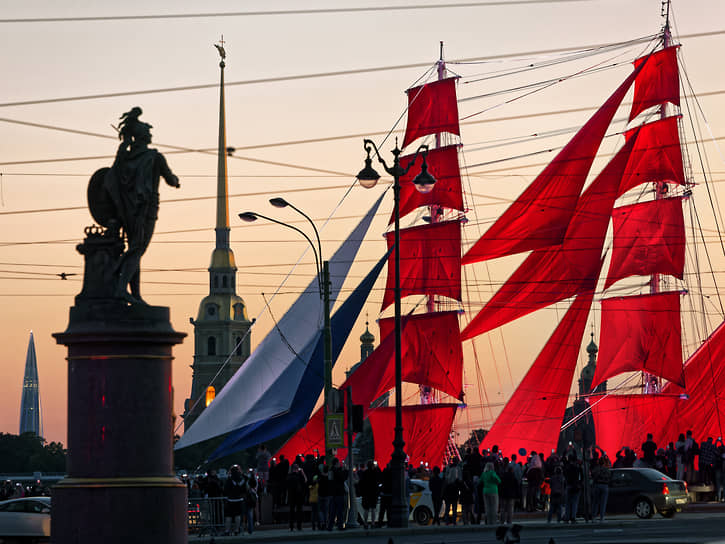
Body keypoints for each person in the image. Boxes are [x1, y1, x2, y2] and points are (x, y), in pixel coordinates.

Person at [101, 107, 180, 304]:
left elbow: (112, 174)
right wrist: (177, 180)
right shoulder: (154, 157)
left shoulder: (125, 159)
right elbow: (171, 180)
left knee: (136, 249)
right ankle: (120, 286)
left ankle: (134, 293)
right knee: (137, 249)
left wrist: (124, 143)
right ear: (142, 135)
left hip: (128, 210)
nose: (151, 133)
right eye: (148, 130)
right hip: (147, 209)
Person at [223, 465, 246, 536]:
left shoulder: (229, 480)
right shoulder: (242, 479)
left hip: (230, 500)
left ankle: (227, 531)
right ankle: (236, 530)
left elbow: (225, 489)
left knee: (228, 516)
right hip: (239, 499)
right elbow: (244, 489)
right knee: (238, 515)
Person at [286, 463, 307, 531]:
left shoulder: (289, 476)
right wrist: (303, 472)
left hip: (292, 495)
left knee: (292, 511)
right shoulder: (300, 475)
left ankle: (291, 526)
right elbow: (305, 480)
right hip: (299, 496)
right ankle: (299, 526)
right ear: (298, 469)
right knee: (299, 511)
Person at [359, 461, 380, 529]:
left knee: (366, 509)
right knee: (373, 508)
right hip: (373, 493)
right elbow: (378, 481)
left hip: (366, 493)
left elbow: (361, 483)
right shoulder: (375, 473)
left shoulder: (365, 473)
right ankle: (373, 523)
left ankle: (365, 523)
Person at [591, 457, 611, 522]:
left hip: (597, 485)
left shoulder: (596, 469)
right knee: (603, 502)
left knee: (595, 502)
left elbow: (592, 475)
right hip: (605, 485)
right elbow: (609, 477)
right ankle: (602, 517)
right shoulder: (607, 469)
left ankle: (594, 517)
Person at [563, 455, 582, 523]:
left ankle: (567, 517)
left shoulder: (567, 468)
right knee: (575, 503)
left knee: (567, 503)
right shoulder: (577, 468)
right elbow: (580, 478)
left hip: (569, 485)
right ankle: (573, 517)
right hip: (576, 486)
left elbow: (565, 476)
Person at [443, 460, 462, 525]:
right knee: (454, 508)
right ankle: (454, 521)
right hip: (455, 495)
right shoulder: (457, 481)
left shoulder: (447, 480)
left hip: (448, 495)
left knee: (447, 508)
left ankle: (447, 520)